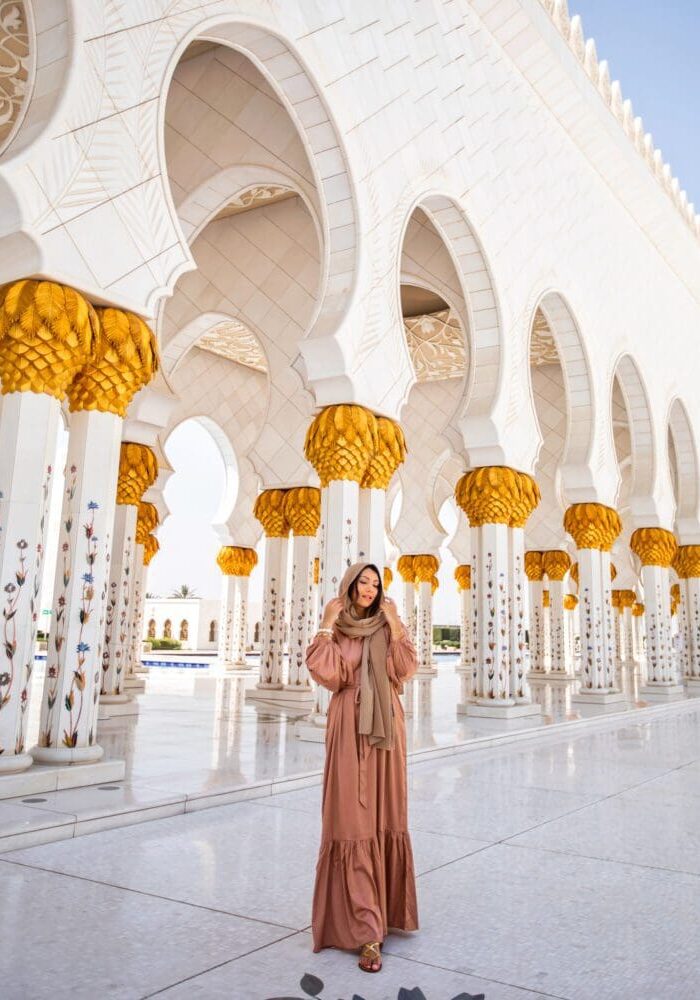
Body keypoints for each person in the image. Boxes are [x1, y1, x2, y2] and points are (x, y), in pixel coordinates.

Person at [306, 561, 419, 973]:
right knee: (351, 822)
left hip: (386, 731)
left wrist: (395, 622)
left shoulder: (388, 627)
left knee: (384, 818)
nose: (369, 589)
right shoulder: (336, 630)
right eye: (363, 582)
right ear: (349, 586)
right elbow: (330, 674)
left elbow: (405, 669)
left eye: (376, 583)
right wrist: (325, 621)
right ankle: (366, 927)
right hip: (349, 726)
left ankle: (382, 915)